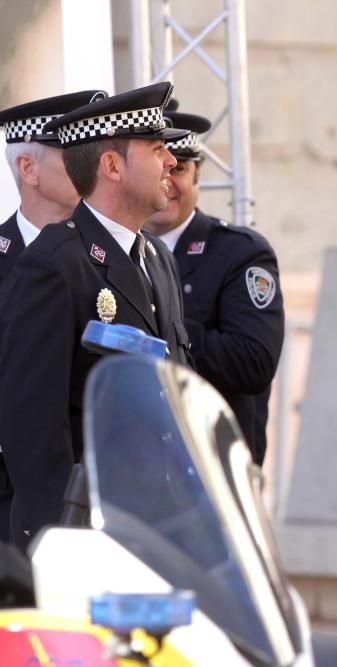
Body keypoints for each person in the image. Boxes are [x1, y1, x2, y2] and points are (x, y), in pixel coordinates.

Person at [0, 82, 192, 550]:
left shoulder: (158, 259)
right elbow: (35, 429)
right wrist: (66, 545)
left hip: (159, 531)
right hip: (91, 536)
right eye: (156, 149)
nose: (171, 161)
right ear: (111, 166)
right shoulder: (54, 263)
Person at [144, 101, 284, 465]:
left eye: (180, 168)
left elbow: (254, 362)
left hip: (215, 463)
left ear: (197, 177)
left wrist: (160, 331)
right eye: (158, 166)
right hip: (138, 462)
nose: (168, 181)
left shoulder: (239, 254)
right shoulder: (115, 252)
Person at [0, 89, 105, 542]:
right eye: (72, 149)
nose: (91, 160)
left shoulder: (108, 258)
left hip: (86, 498)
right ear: (28, 169)